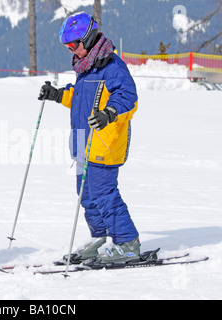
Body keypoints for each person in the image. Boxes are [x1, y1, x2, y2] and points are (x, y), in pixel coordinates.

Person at [39, 12, 140, 266]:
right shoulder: (86, 67)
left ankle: (127, 242)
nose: (70, 50)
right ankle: (101, 237)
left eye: (73, 44)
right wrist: (56, 95)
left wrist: (109, 113)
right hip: (84, 141)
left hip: (104, 142)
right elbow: (80, 99)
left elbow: (128, 97)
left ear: (90, 38)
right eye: (67, 46)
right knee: (85, 193)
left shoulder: (111, 66)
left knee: (103, 193)